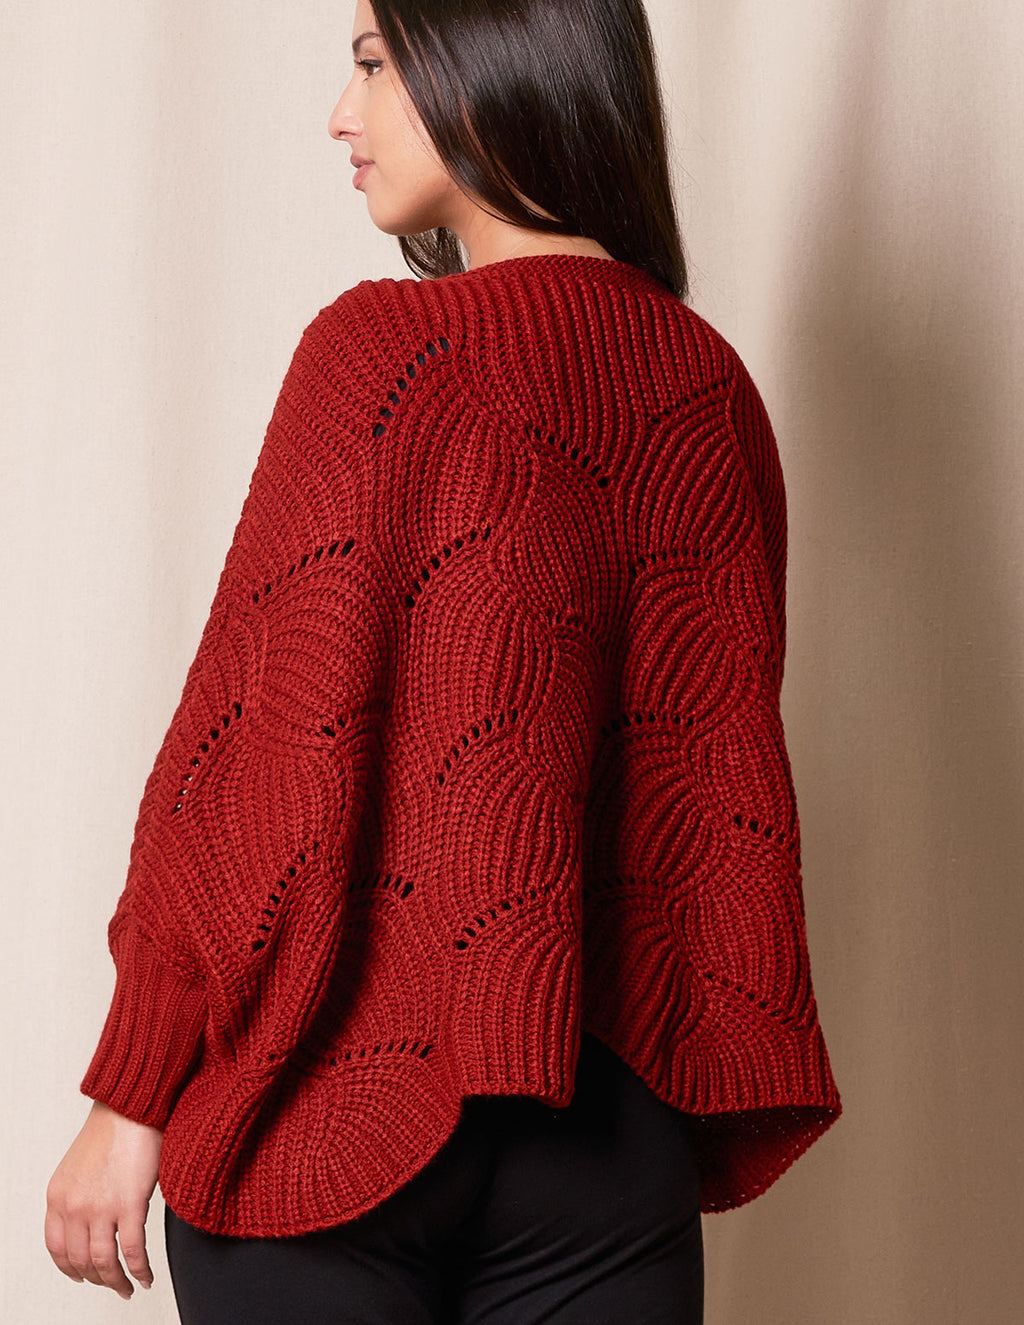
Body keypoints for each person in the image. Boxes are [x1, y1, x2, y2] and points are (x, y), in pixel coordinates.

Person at [44, 1, 843, 1321]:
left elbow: (257, 758)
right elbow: (703, 801)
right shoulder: (711, 393)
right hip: (607, 1142)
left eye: (372, 64)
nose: (341, 115)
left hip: (338, 1120)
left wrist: (130, 1092)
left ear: (488, 60)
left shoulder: (384, 357)